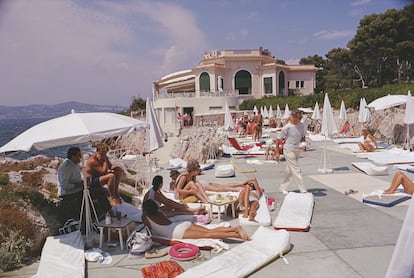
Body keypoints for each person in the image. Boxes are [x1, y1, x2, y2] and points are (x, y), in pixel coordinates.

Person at [142, 199, 251, 240]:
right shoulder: (160, 212)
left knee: (208, 235)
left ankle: (237, 235)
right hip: (181, 224)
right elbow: (170, 212)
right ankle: (236, 228)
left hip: (177, 232)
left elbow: (148, 230)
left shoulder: (145, 217)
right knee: (209, 231)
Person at [57, 147, 110, 221]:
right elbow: (64, 185)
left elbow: (77, 178)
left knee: (101, 191)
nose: (81, 158)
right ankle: (100, 217)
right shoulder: (66, 167)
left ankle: (107, 214)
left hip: (78, 189)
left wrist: (84, 181)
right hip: (68, 193)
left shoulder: (75, 164)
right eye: (79, 155)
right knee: (95, 195)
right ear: (73, 156)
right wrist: (78, 185)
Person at [274, 109, 307, 194]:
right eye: (297, 119)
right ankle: (303, 190)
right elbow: (278, 139)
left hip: (296, 149)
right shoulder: (287, 127)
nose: (299, 120)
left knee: (289, 170)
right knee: (296, 170)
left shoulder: (302, 125)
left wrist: (303, 144)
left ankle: (282, 187)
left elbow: (302, 136)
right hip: (288, 150)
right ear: (292, 117)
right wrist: (277, 152)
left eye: (300, 119)